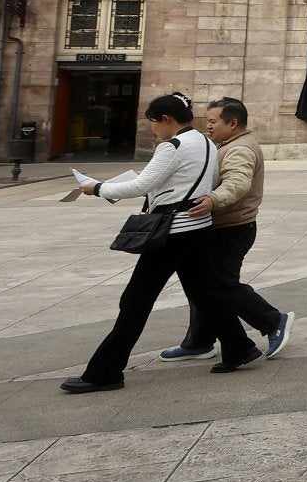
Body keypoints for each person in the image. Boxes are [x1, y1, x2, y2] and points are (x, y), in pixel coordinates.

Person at [63, 92, 260, 393]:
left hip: (173, 232)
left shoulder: (173, 146)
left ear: (166, 119)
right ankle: (238, 346)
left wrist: (97, 187)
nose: (151, 129)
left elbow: (143, 184)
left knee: (135, 301)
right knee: (205, 293)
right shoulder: (204, 141)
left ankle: (105, 372)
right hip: (199, 228)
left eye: (152, 123)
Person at [158, 98, 293, 364]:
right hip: (222, 224)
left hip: (232, 227)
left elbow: (237, 182)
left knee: (220, 283)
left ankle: (273, 320)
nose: (207, 126)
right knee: (201, 283)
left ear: (232, 123)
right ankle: (199, 341)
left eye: (213, 121)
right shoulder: (226, 145)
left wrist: (213, 200)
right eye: (206, 121)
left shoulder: (240, 149)